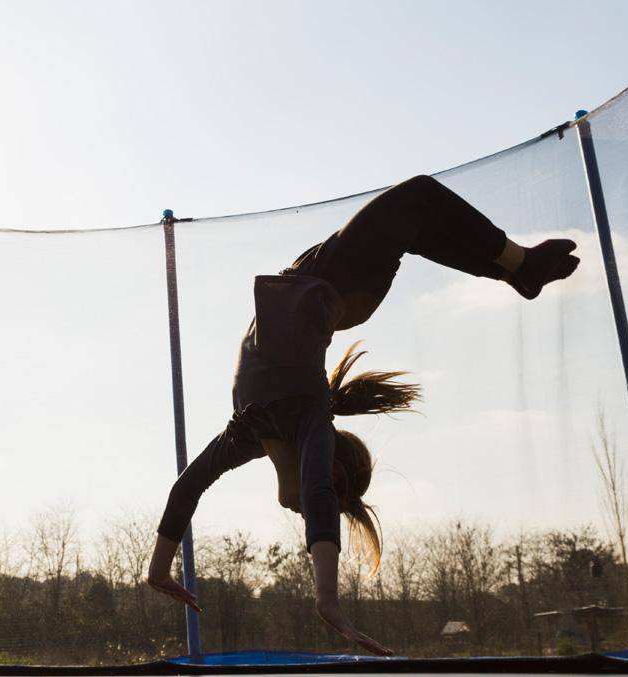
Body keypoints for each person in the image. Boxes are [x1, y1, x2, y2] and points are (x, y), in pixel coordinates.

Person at [146, 174, 580, 656]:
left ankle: (516, 272)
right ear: (332, 473)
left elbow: (188, 487)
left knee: (417, 222)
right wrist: (327, 599)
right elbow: (315, 492)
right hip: (335, 279)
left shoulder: (244, 435)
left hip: (331, 286)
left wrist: (159, 568)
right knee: (417, 199)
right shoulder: (309, 418)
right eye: (316, 507)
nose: (297, 509)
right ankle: (521, 266)